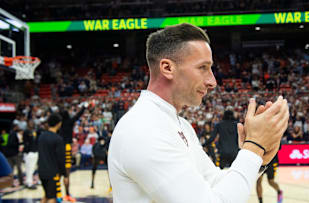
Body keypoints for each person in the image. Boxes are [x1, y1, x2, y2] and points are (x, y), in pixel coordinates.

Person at [108, 23, 289, 203]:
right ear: (167, 68)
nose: (212, 81)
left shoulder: (180, 125)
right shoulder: (144, 129)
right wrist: (254, 147)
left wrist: (258, 158)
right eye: (203, 68)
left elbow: (215, 183)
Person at [59, 103, 86, 202]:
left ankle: (57, 195)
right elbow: (77, 115)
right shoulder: (69, 121)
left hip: (57, 147)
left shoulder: (58, 124)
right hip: (66, 147)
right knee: (66, 174)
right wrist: (84, 107)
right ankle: (67, 194)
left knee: (57, 173)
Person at [38, 113, 65, 203]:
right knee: (52, 197)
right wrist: (65, 174)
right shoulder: (58, 139)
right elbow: (60, 159)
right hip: (52, 172)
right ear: (58, 124)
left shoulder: (41, 137)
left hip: (41, 171)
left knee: (47, 194)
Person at [23, 121, 39, 189]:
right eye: (30, 123)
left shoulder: (34, 131)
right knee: (29, 168)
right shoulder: (26, 131)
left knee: (32, 168)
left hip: (35, 151)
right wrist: (28, 151)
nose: (31, 124)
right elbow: (26, 142)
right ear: (27, 124)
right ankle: (29, 183)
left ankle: (28, 181)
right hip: (29, 152)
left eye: (32, 123)